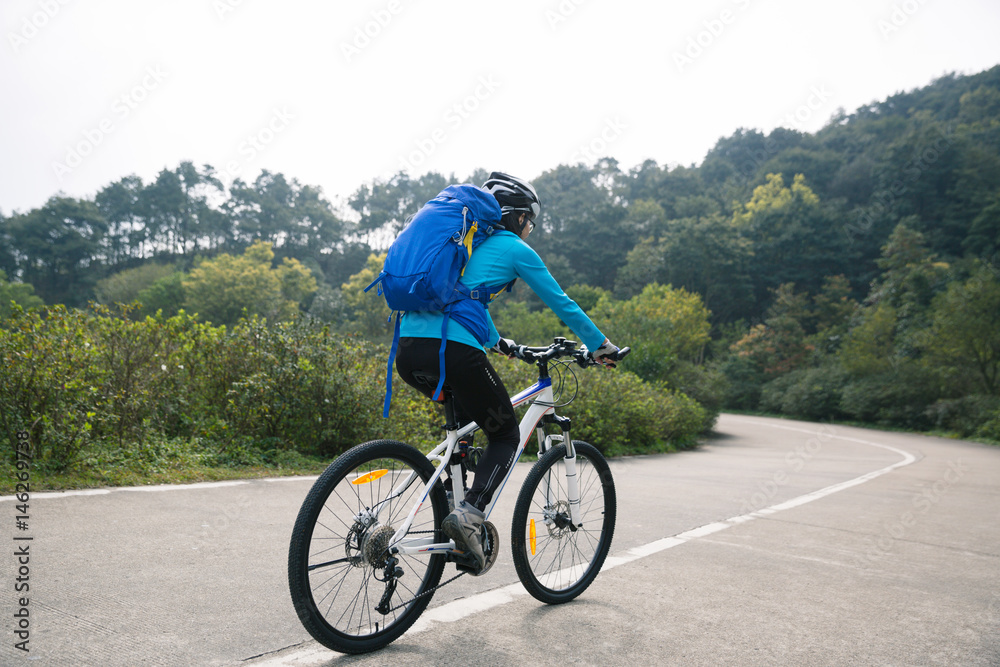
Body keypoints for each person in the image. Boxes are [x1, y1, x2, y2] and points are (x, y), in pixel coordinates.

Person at [394, 171, 620, 571]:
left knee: (463, 433)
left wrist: (501, 344)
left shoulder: (463, 247)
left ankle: (449, 503)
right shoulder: (513, 248)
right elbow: (561, 300)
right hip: (453, 351)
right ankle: (468, 515)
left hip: (411, 352)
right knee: (504, 433)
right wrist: (599, 345)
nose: (529, 230)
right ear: (516, 218)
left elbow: (466, 299)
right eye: (528, 222)